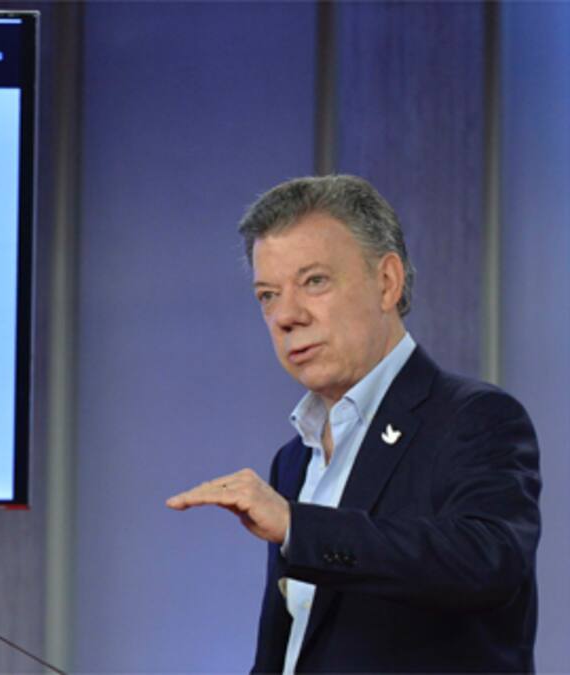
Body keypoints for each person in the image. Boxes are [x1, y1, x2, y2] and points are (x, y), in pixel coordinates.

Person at [166, 175, 541, 674]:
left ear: (387, 282)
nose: (286, 316)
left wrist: (298, 526)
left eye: (314, 281)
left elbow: (488, 564)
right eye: (267, 295)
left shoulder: (474, 417)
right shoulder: (293, 459)